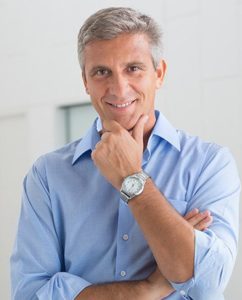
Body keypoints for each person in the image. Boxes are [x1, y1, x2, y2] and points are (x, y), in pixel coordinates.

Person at [10, 7, 240, 300]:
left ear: (159, 73)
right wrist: (147, 290)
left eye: (133, 68)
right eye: (102, 72)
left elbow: (206, 283)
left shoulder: (209, 164)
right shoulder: (47, 176)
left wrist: (132, 178)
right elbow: (30, 294)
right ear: (85, 81)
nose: (119, 88)